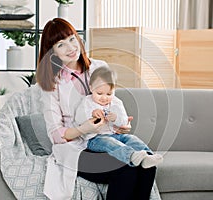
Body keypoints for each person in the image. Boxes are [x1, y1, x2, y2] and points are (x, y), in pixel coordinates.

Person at [36, 18, 159, 200]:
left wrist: (119, 125)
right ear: (51, 52)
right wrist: (82, 129)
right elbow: (54, 133)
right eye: (61, 45)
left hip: (108, 138)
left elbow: (110, 100)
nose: (71, 48)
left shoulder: (99, 67)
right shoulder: (50, 83)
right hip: (77, 148)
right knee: (124, 168)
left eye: (72, 39)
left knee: (147, 163)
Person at [74, 66, 163, 168]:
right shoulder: (87, 102)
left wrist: (116, 118)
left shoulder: (116, 102)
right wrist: (91, 114)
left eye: (109, 94)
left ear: (114, 90)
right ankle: (132, 156)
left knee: (131, 139)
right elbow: (78, 119)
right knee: (110, 143)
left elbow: (124, 121)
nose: (104, 97)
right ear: (91, 88)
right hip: (95, 139)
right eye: (99, 93)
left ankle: (148, 157)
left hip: (117, 135)